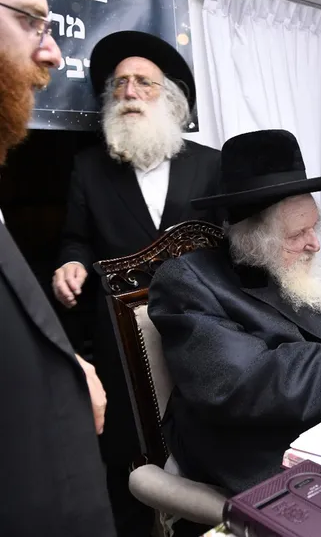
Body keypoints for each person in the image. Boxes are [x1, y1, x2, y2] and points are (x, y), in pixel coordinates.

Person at [148, 130, 321, 498]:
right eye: (297, 233)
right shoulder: (188, 281)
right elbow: (239, 384)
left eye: (313, 226)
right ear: (253, 238)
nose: (314, 244)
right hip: (254, 446)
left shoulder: (310, 275)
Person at [52, 30, 222, 537]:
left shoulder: (210, 164)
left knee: (202, 451)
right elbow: (76, 239)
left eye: (143, 82)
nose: (129, 92)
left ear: (169, 98)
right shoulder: (88, 168)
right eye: (120, 83)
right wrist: (71, 264)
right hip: (120, 344)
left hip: (201, 335)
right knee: (128, 460)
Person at [0, 0, 115, 533]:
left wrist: (62, 366)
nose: (51, 52)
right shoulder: (89, 168)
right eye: (29, 21)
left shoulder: (204, 165)